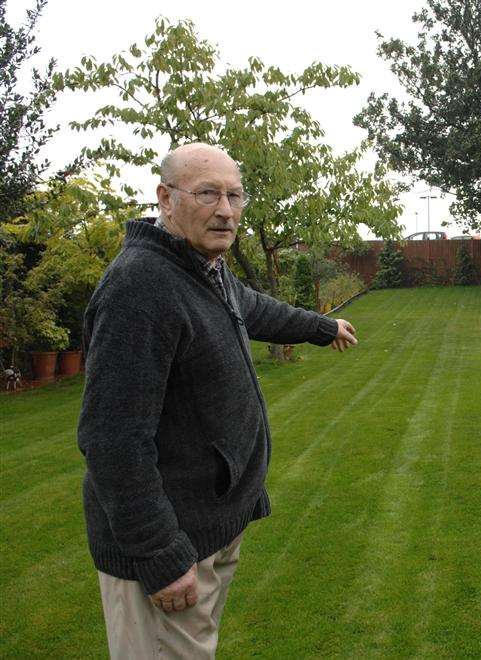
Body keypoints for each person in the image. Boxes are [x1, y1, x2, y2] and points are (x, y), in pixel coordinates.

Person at [77, 143, 358, 659]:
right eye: (207, 193)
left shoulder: (200, 267)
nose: (226, 211)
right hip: (171, 542)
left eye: (235, 196)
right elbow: (112, 438)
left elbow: (249, 306)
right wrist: (160, 554)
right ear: (165, 198)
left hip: (212, 524)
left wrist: (320, 327)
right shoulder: (140, 287)